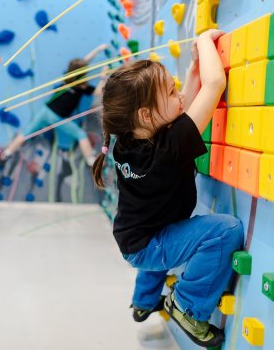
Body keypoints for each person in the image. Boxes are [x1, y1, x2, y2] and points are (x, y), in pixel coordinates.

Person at [92, 29, 244, 347]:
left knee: (158, 242)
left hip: (133, 237)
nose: (182, 97)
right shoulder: (168, 149)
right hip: (149, 243)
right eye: (173, 92)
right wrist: (204, 41)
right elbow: (215, 85)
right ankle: (187, 306)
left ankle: (144, 300)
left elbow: (177, 114)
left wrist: (191, 72)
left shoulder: (128, 141)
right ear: (145, 114)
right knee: (224, 231)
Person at [0, 44, 109, 167]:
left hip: (45, 111)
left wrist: (98, 50)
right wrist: (103, 76)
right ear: (84, 73)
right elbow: (99, 91)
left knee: (25, 134)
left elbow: (83, 63)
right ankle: (91, 161)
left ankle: (6, 153)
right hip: (57, 118)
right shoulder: (82, 87)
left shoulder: (67, 77)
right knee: (81, 134)